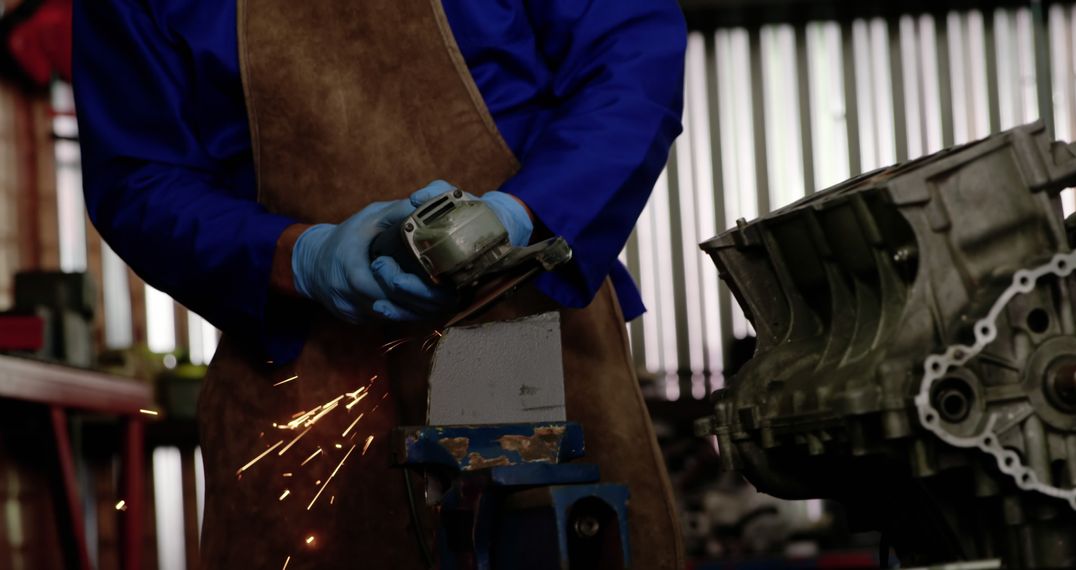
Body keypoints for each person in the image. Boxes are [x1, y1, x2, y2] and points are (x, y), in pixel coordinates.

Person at [74, 0, 687, 568]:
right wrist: (300, 258)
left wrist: (522, 212)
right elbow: (138, 176)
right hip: (301, 360)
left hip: (518, 326)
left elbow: (631, 59)